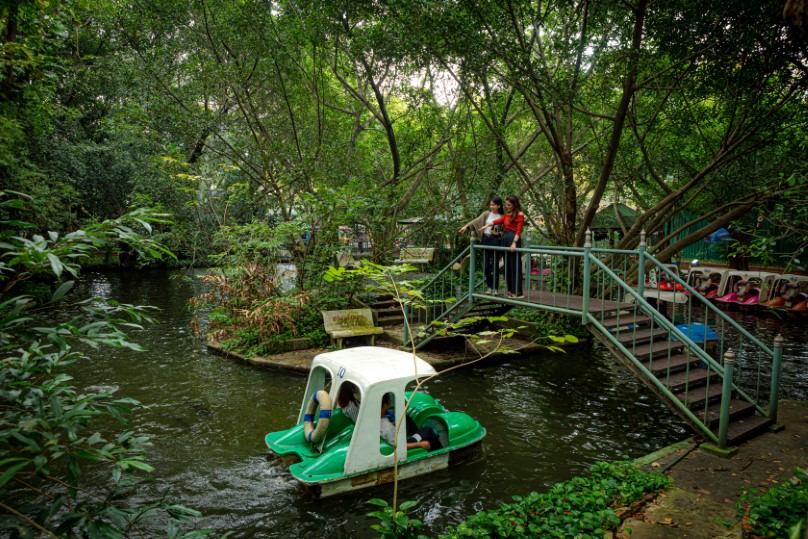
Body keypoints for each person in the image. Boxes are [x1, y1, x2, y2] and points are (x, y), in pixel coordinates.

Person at [479, 194, 525, 299]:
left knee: (514, 266)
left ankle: (517, 291)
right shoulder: (507, 215)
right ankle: (510, 289)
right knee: (507, 267)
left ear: (514, 204)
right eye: (506, 205)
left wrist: (514, 242)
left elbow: (519, 230)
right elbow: (497, 221)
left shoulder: (520, 214)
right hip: (505, 240)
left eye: (509, 205)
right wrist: (486, 225)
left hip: (513, 239)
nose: (507, 207)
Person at [458, 197, 504, 295]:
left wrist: (496, 234)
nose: (491, 206)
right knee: (486, 266)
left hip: (495, 241)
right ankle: (490, 286)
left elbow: (504, 232)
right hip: (486, 240)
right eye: (490, 205)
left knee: (495, 266)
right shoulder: (486, 214)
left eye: (493, 205)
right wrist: (465, 227)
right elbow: (475, 221)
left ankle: (495, 288)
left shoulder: (502, 216)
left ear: (499, 206)